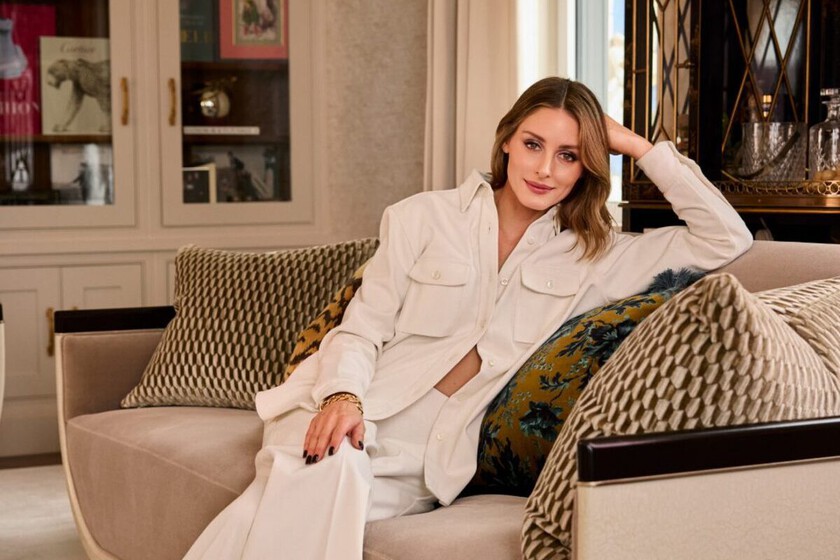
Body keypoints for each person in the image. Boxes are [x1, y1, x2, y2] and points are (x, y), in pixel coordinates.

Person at [184, 77, 753, 560]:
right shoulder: (420, 218)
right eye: (533, 144)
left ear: (586, 167)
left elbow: (725, 237)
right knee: (329, 473)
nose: (545, 169)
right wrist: (343, 397)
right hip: (345, 402)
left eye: (568, 155)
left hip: (429, 455)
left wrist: (637, 145)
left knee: (278, 507)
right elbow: (362, 326)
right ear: (507, 140)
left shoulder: (596, 255)